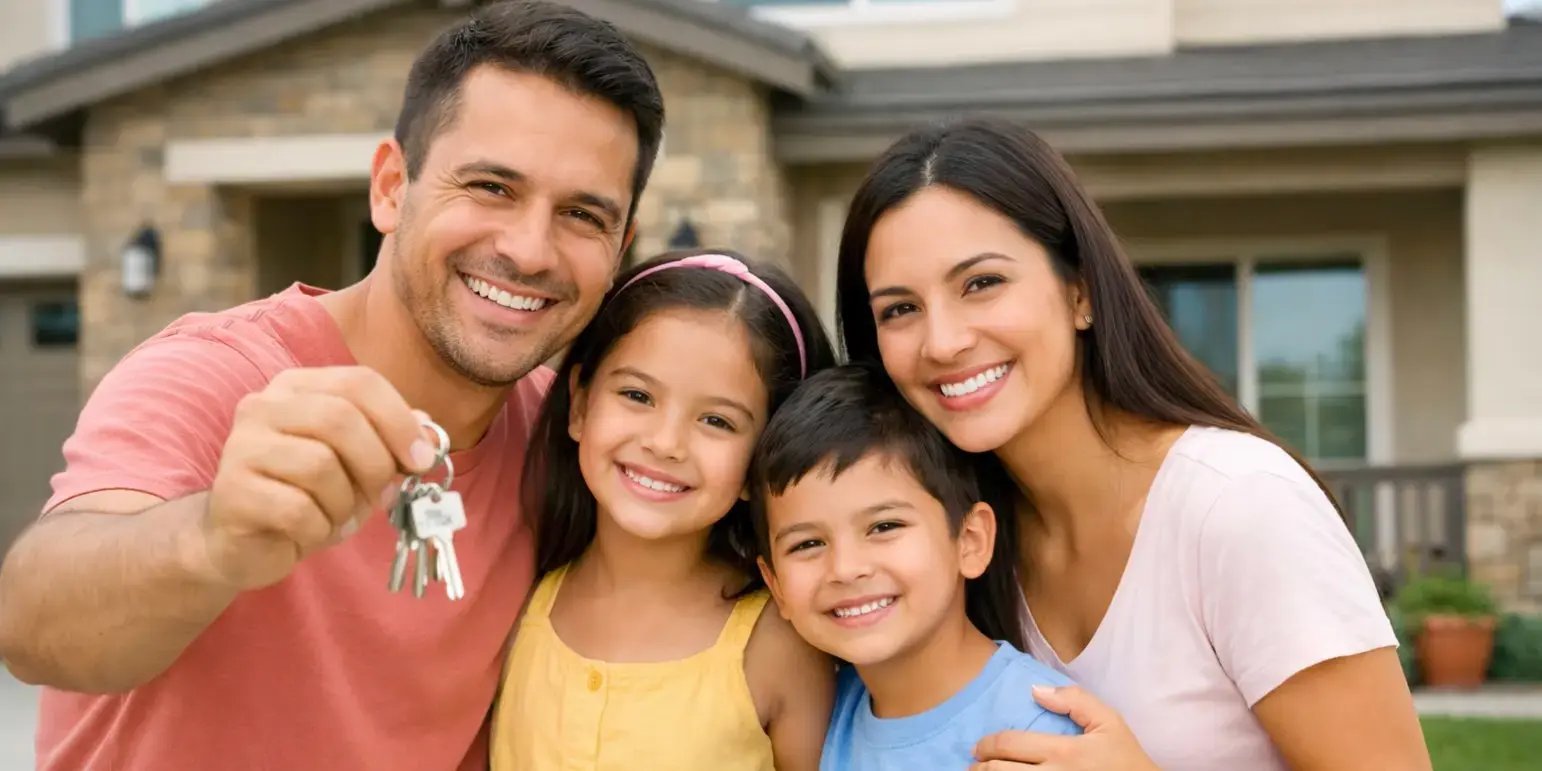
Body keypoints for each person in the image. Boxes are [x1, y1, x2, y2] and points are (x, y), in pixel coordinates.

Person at [0, 2, 663, 769]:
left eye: (582, 214)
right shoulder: (215, 373)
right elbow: (32, 620)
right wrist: (211, 540)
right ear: (391, 187)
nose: (529, 248)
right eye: (491, 186)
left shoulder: (578, 441)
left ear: (620, 249)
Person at [834, 117, 1432, 771]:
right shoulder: (955, 543)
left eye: (982, 283)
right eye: (900, 309)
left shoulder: (1241, 508)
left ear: (1081, 290)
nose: (943, 342)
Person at [491, 251, 838, 770]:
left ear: (762, 460)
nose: (666, 443)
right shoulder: (517, 598)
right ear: (580, 404)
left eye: (717, 421)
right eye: (637, 395)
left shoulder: (780, 643)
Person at [750, 362, 1081, 771]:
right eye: (808, 544)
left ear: (970, 540)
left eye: (884, 527)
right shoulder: (820, 714)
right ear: (776, 585)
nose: (846, 569)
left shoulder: (1038, 736)